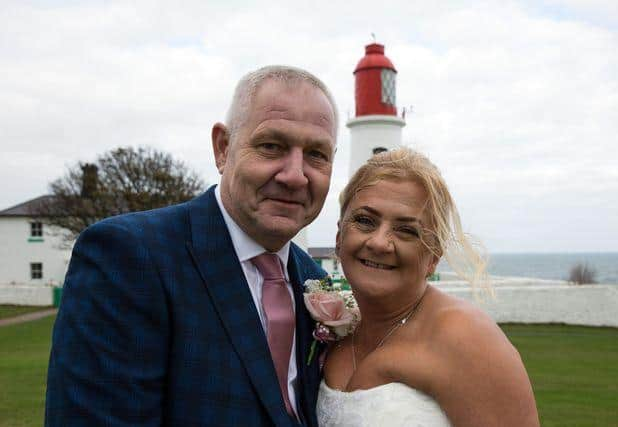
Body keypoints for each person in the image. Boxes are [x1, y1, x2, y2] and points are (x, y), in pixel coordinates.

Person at [45, 65, 338, 427]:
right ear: (222, 148)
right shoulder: (128, 257)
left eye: (317, 154)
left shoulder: (315, 281)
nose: (295, 175)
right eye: (271, 146)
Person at [317, 148, 539, 427]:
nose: (379, 242)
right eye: (364, 221)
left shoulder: (467, 338)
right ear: (339, 236)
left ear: (433, 256)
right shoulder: (338, 327)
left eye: (407, 231)